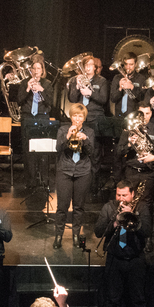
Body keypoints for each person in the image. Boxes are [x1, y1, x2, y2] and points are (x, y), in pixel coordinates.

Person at [95, 181, 153, 307]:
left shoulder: (141, 208)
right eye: (118, 195)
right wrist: (114, 223)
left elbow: (147, 230)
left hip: (135, 259)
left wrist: (134, 216)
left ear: (132, 194)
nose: (121, 199)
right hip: (115, 257)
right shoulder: (109, 207)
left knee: (138, 297)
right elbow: (98, 232)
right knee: (112, 297)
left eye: (125, 195)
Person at [53, 103, 95, 249]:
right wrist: (68, 135)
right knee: (62, 207)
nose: (77, 119)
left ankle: (76, 235)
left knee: (79, 207)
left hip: (83, 171)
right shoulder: (63, 129)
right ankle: (58, 236)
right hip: (65, 170)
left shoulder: (89, 131)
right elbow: (58, 148)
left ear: (84, 118)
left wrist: (86, 140)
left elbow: (91, 152)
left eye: (80, 116)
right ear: (71, 117)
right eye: (75, 115)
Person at [115, 105, 154, 206]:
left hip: (149, 173)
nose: (144, 117)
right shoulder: (128, 130)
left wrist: (153, 157)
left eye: (147, 113)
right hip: (131, 172)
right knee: (127, 202)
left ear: (151, 114)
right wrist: (130, 144)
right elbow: (118, 152)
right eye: (141, 114)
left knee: (145, 204)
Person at [17, 57, 56, 188]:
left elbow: (50, 103)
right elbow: (19, 101)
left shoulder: (47, 84)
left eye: (39, 68)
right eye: (34, 68)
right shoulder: (24, 83)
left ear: (42, 70)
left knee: (43, 149)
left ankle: (44, 179)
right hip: (28, 117)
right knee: (28, 150)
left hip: (42, 117)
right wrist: (28, 88)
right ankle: (31, 180)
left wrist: (41, 90)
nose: (36, 70)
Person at [66, 54, 109, 137]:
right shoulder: (77, 79)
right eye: (86, 65)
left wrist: (90, 93)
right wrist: (77, 87)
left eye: (90, 65)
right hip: (80, 118)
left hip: (95, 117)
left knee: (94, 145)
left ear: (95, 67)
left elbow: (104, 99)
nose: (88, 67)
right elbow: (72, 99)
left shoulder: (102, 81)